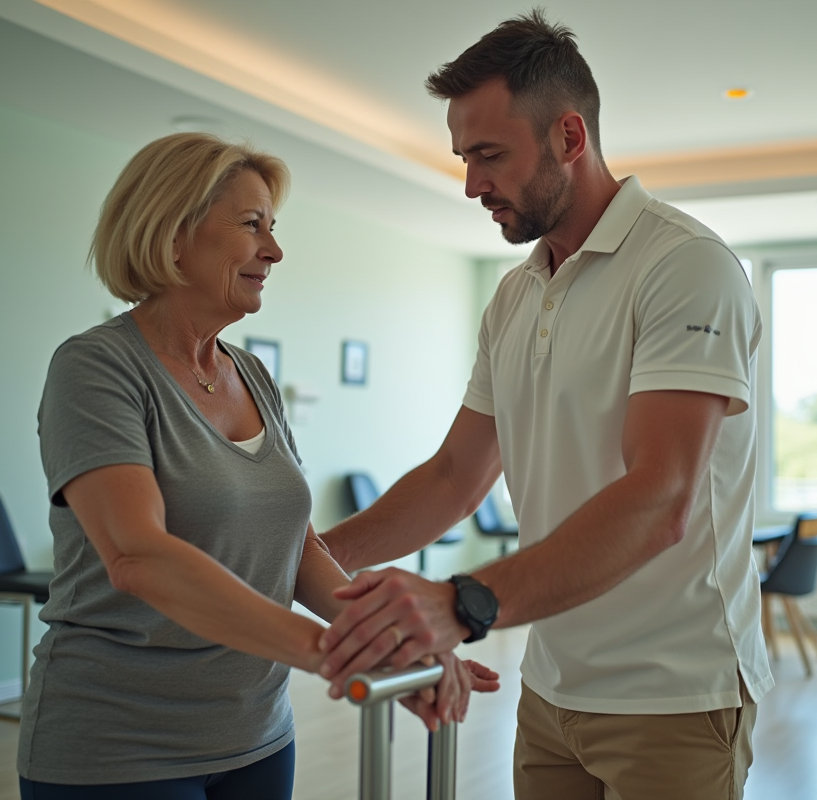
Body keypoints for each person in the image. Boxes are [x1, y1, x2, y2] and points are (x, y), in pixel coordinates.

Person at [316, 10, 771, 800]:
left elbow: (661, 496)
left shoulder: (685, 267)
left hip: (674, 696)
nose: (470, 184)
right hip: (551, 689)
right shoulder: (516, 295)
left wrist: (465, 603)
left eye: (489, 155)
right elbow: (456, 475)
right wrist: (304, 564)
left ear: (569, 136)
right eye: (463, 158)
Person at [21, 132, 497, 800]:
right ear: (174, 233)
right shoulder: (95, 369)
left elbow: (295, 550)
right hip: (119, 745)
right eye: (252, 226)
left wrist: (385, 639)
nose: (275, 251)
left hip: (256, 735)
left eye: (273, 228)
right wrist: (335, 652)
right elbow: (139, 556)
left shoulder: (251, 376)